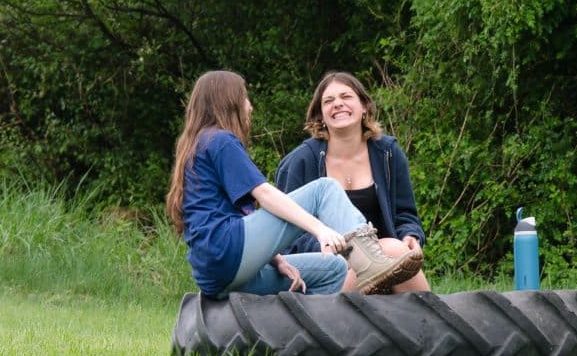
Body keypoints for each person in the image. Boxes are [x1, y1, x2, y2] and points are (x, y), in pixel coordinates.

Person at [165, 70, 422, 298]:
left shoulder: (199, 144)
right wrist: (321, 230)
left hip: (215, 278)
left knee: (335, 270)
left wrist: (276, 259)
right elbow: (264, 194)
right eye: (244, 98)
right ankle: (367, 258)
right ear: (227, 101)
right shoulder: (220, 140)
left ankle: (330, 337)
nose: (250, 107)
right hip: (226, 254)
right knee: (325, 188)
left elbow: (239, 215)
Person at [276, 71, 431, 293]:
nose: (338, 104)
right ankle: (437, 325)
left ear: (364, 106)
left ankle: (429, 322)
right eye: (328, 101)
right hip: (328, 267)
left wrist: (410, 236)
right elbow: (287, 235)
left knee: (398, 250)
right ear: (320, 115)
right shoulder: (301, 161)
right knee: (394, 251)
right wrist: (328, 246)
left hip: (384, 261)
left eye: (346, 96)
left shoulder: (388, 153)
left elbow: (406, 214)